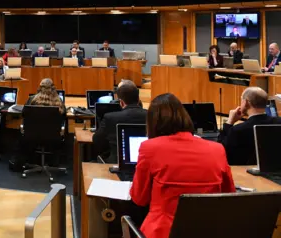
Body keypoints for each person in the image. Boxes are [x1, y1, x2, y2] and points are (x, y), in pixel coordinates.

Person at [130, 93, 235, 238]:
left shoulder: (149, 147)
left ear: (152, 122)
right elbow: (228, 196)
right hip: (208, 230)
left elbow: (139, 198)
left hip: (162, 231)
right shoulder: (217, 149)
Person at [219, 87, 281, 165]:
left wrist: (229, 122)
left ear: (246, 103)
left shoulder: (238, 130)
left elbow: (221, 151)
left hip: (243, 173)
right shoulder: (279, 123)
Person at [92, 80, 147, 163]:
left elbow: (97, 140)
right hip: (145, 161)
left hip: (116, 163)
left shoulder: (110, 117)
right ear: (138, 99)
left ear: (121, 102)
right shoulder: (151, 115)